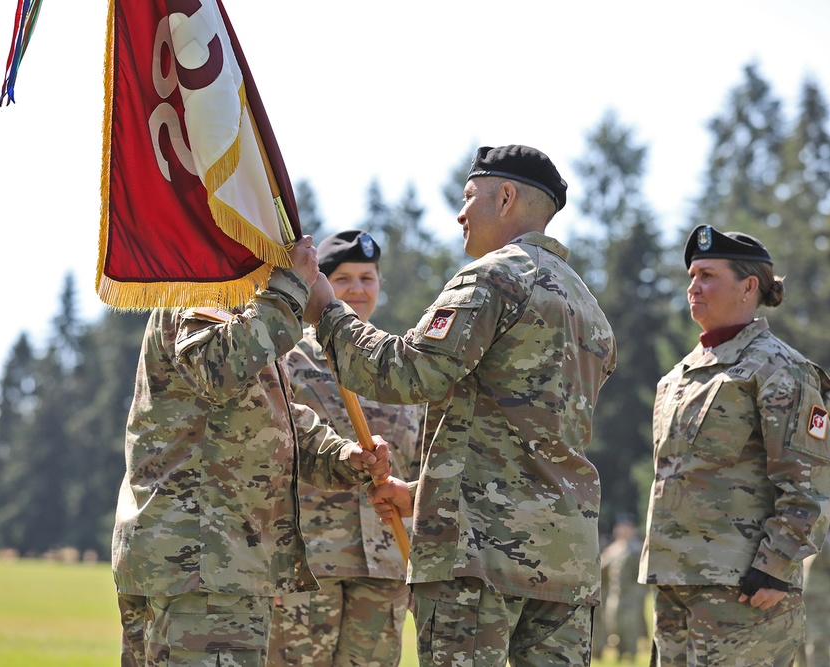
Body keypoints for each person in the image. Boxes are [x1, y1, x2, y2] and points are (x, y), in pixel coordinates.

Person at [305, 144, 617, 666]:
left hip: (480, 559)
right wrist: (426, 499)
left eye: (470, 196)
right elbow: (524, 433)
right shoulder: (588, 305)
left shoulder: (496, 277)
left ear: (507, 198)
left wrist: (327, 313)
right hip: (564, 558)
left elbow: (408, 371)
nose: (460, 212)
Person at [111, 237, 393, 667]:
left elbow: (274, 419)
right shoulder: (207, 289)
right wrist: (291, 290)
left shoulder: (249, 305)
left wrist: (344, 457)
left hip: (218, 563)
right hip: (201, 561)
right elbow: (215, 367)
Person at [639, 225, 830, 666]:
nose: (694, 286)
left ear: (749, 287)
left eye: (707, 275)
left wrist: (776, 566)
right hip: (675, 585)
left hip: (745, 590)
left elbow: (808, 483)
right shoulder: (677, 378)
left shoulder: (780, 369)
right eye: (691, 275)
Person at [267, 230, 423, 667]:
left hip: (385, 565)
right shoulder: (290, 359)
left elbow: (426, 460)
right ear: (320, 285)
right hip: (309, 564)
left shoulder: (398, 366)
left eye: (368, 278)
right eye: (343, 278)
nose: (357, 289)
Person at [797, 530, 830, 667]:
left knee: (817, 644)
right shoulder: (799, 534)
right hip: (801, 599)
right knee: (799, 643)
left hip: (820, 601)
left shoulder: (824, 538)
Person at [600, 514, 647, 662]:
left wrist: (639, 595)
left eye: (625, 527)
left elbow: (640, 575)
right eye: (619, 527)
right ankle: (619, 653)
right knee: (614, 624)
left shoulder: (636, 549)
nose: (621, 530)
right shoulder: (613, 549)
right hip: (614, 595)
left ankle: (631, 654)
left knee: (630, 626)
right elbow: (602, 571)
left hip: (631, 596)